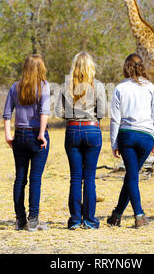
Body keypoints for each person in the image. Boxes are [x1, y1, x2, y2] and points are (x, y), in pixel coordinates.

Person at [108, 53, 154, 228]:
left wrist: (114, 143)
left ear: (127, 67)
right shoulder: (151, 88)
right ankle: (116, 214)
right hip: (147, 137)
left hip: (127, 136)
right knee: (131, 175)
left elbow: (115, 118)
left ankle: (139, 215)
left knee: (131, 176)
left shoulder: (120, 88)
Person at [56, 51, 106, 230]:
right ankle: (90, 220)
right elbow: (102, 112)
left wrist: (73, 115)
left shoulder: (64, 86)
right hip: (92, 129)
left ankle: (75, 220)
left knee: (75, 177)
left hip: (72, 130)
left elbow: (59, 112)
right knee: (90, 177)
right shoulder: (98, 86)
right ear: (91, 67)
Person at [3, 54, 51, 232]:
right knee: (35, 179)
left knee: (20, 178)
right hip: (36, 135)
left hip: (20, 135)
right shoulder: (44, 86)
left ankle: (20, 220)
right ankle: (33, 220)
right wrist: (41, 134)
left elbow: (7, 113)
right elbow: (44, 112)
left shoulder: (15, 87)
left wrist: (8, 135)